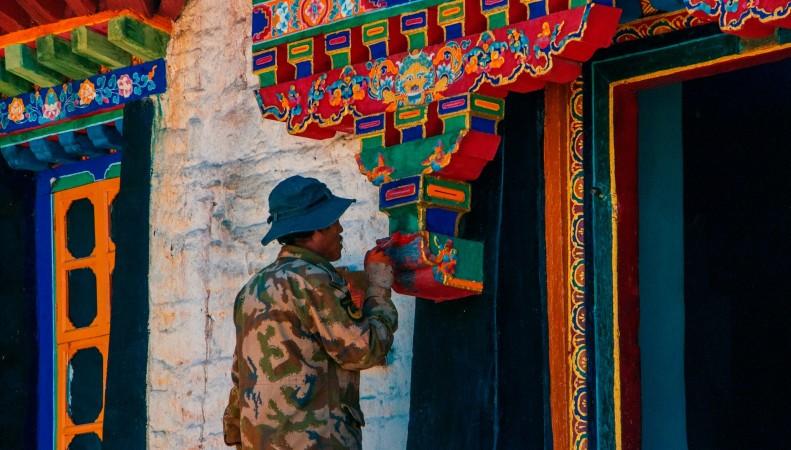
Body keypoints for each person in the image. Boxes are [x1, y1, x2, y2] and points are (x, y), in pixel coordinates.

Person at [223, 175, 398, 449]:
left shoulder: (251, 289)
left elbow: (240, 376)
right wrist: (379, 286)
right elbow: (364, 350)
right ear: (316, 228)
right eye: (333, 222)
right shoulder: (314, 281)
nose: (340, 228)